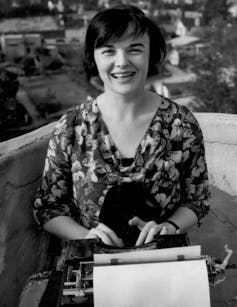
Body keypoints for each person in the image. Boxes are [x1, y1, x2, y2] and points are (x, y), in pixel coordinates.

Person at [33, 4, 210, 248]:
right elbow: (48, 207)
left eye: (134, 49)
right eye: (108, 51)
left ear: (152, 53)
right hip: (92, 267)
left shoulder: (180, 123)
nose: (122, 62)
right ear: (93, 58)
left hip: (166, 264)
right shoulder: (71, 127)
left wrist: (169, 227)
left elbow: (197, 199)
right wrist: (85, 236)